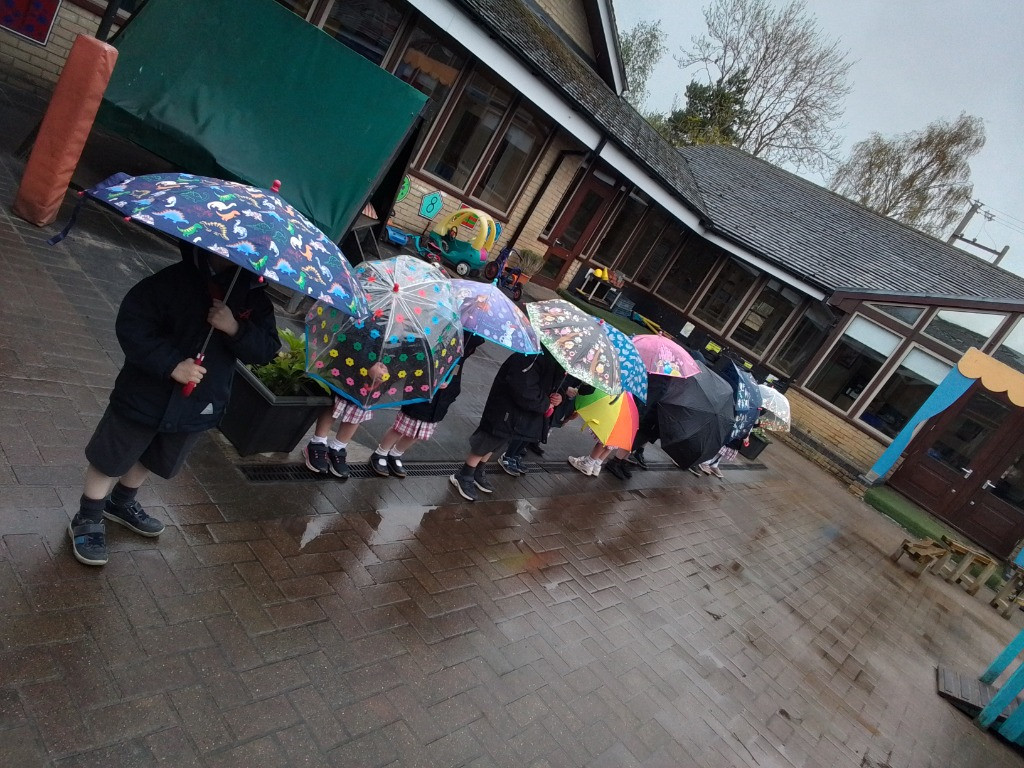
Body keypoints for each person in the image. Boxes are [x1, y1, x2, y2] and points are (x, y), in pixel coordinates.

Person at [69, 243, 279, 566]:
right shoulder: (176, 280)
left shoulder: (254, 300)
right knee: (112, 452)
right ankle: (88, 515)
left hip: (198, 401)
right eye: (224, 249)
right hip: (146, 391)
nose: (230, 257)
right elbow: (133, 322)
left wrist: (235, 327)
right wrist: (172, 365)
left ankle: (122, 502)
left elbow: (266, 350)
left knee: (156, 454)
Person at [450, 348, 564, 502]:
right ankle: (464, 474)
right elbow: (523, 388)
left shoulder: (547, 358)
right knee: (488, 438)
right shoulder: (531, 356)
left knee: (497, 441)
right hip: (506, 407)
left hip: (517, 413)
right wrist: (545, 404)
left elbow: (542, 385)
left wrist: (557, 397)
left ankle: (478, 471)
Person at [368, 333, 486, 477]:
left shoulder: (469, 339)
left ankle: (396, 453)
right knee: (402, 425)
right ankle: (381, 452)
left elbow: (460, 361)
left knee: (419, 431)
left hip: (443, 394)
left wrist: (450, 381)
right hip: (424, 383)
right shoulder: (446, 330)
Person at [303, 360, 388, 479]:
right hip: (349, 365)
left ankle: (338, 447)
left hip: (373, 383)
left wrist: (386, 370)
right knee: (334, 403)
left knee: (358, 410)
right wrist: (370, 364)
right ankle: (318, 441)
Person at [500, 376, 588, 476]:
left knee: (535, 430)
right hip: (544, 394)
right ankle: (508, 455)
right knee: (527, 427)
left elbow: (587, 391)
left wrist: (584, 384)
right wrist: (565, 388)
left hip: (557, 401)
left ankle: (516, 454)